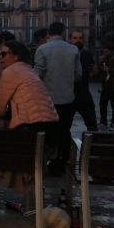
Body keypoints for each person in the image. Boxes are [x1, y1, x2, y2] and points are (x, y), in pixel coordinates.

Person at [34, 22, 81, 174]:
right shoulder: (73, 49)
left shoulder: (42, 49)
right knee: (65, 130)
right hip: (67, 98)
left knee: (48, 131)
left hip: (48, 99)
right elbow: (78, 75)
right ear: (63, 32)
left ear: (49, 33)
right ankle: (63, 160)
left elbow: (38, 74)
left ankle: (48, 160)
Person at [69, 30, 97, 131]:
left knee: (92, 123)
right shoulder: (67, 54)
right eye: (75, 38)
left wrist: (93, 71)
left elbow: (91, 71)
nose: (78, 40)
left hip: (84, 93)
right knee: (65, 126)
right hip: (69, 94)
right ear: (70, 40)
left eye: (80, 38)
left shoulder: (87, 54)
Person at [94, 44, 114, 131]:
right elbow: (99, 70)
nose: (105, 53)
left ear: (111, 51)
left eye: (107, 51)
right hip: (106, 85)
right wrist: (99, 63)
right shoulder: (104, 58)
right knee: (102, 103)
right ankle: (103, 122)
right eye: (104, 51)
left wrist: (109, 70)